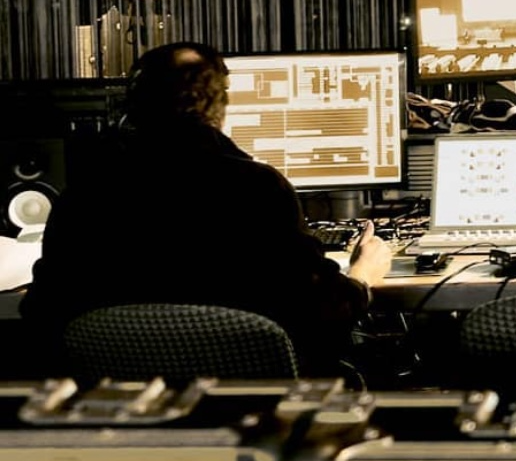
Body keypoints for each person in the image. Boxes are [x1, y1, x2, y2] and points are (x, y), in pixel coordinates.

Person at [20, 41, 393, 377]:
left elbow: (41, 314)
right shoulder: (258, 188)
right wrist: (362, 277)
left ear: (132, 107)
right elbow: (319, 313)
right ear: (220, 104)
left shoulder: (86, 193)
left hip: (124, 417)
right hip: (255, 410)